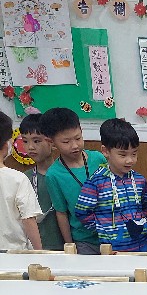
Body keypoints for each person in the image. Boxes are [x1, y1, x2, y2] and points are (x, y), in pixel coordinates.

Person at [74, 118, 147, 253]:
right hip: (111, 251)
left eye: (134, 154)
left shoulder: (139, 180)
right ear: (105, 151)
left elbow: (145, 205)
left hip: (141, 247)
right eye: (123, 154)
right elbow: (82, 212)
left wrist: (140, 221)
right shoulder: (96, 182)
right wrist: (103, 229)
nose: (130, 160)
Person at [41, 107, 106, 253]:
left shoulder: (98, 158)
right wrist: (70, 245)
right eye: (66, 142)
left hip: (110, 234)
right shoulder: (54, 174)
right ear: (51, 142)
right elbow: (61, 212)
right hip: (84, 240)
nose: (75, 146)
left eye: (78, 138)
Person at [19, 113, 63, 251]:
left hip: (66, 246)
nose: (30, 147)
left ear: (52, 142)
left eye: (36, 141)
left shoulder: (64, 174)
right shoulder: (24, 178)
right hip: (37, 248)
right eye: (25, 141)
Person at [0, 111, 42, 251]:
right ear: (7, 145)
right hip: (15, 254)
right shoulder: (18, 179)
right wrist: (40, 252)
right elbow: (28, 219)